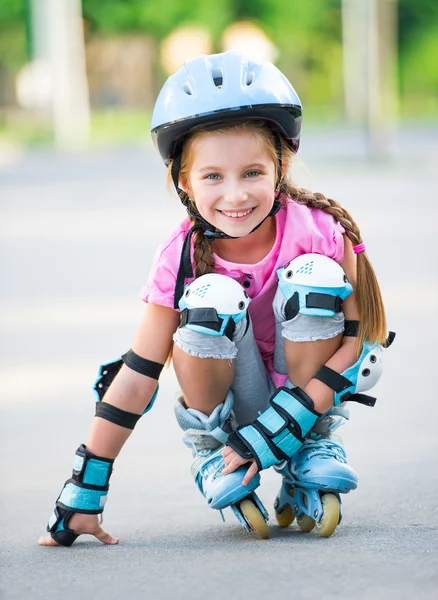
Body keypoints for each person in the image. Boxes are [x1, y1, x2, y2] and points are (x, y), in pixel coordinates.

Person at [39, 51, 393, 546]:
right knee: (211, 297)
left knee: (316, 278)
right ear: (183, 182)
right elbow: (137, 375)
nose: (235, 195)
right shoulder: (178, 256)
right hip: (226, 401)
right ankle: (211, 450)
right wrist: (85, 487)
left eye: (252, 173)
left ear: (281, 167)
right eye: (212, 177)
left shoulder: (321, 233)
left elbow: (354, 349)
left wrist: (284, 427)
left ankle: (311, 446)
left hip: (310, 392)